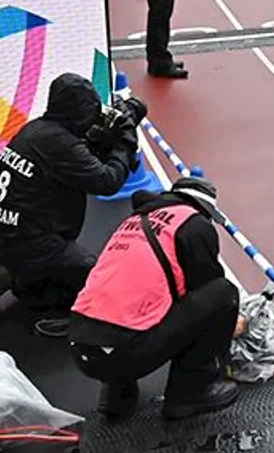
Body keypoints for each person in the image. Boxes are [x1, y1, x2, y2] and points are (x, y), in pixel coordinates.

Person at [0, 74, 145, 336]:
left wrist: (103, 140)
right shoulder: (60, 144)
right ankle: (12, 278)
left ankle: (2, 267)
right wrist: (123, 142)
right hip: (31, 244)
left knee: (45, 261)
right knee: (93, 277)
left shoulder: (36, 130)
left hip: (5, 235)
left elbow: (79, 158)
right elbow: (107, 181)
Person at [69, 176, 246, 419]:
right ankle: (190, 393)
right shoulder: (193, 224)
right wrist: (230, 322)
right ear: (201, 208)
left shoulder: (132, 222)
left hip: (81, 347)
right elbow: (208, 289)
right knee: (224, 293)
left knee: (131, 305)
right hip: (124, 353)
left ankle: (117, 395)